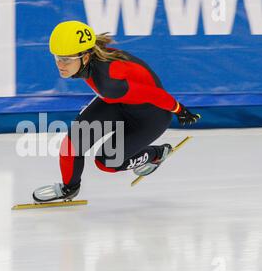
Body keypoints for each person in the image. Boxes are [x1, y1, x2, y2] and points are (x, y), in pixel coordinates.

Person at [33, 21, 200, 203]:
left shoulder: (108, 82)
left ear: (85, 58)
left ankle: (156, 154)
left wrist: (179, 109)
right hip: (117, 102)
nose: (60, 64)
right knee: (72, 145)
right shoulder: (90, 60)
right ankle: (69, 188)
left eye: (66, 59)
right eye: (57, 57)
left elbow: (153, 94)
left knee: (107, 162)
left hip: (151, 116)